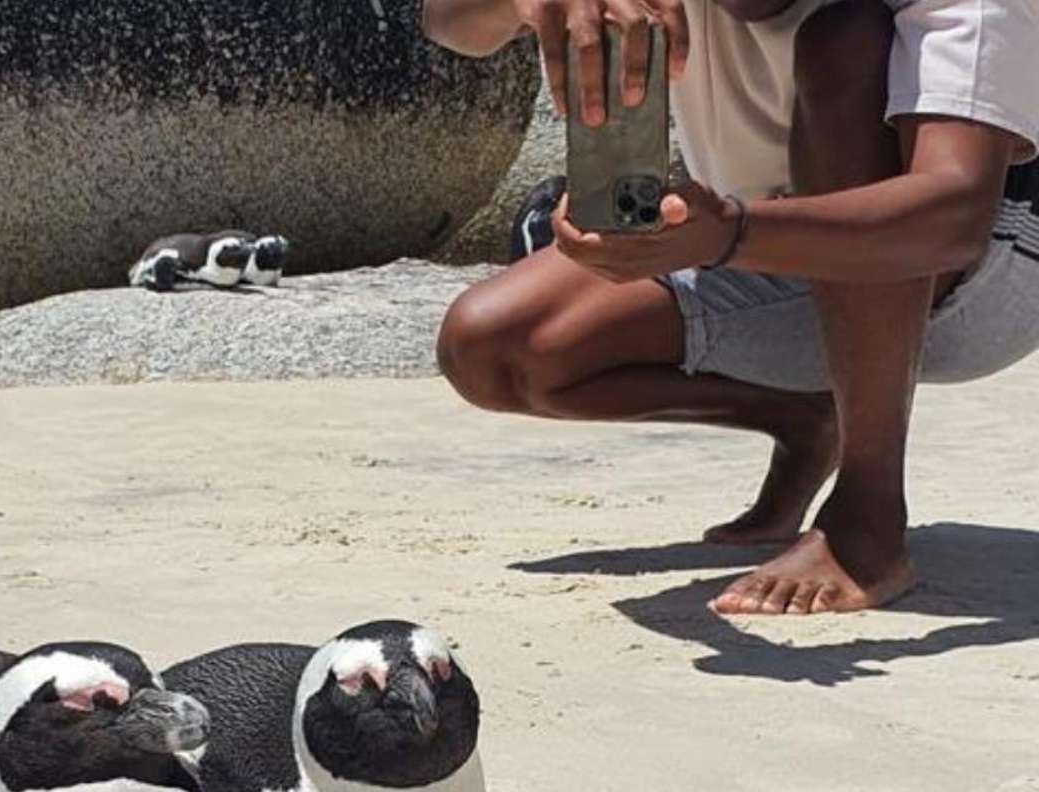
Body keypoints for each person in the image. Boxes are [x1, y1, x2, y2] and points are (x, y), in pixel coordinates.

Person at [423, 0, 1039, 614]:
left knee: (845, 40)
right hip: (765, 234)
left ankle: (867, 515)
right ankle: (805, 416)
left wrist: (727, 235)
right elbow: (445, 20)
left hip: (983, 272)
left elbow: (954, 217)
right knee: (493, 345)